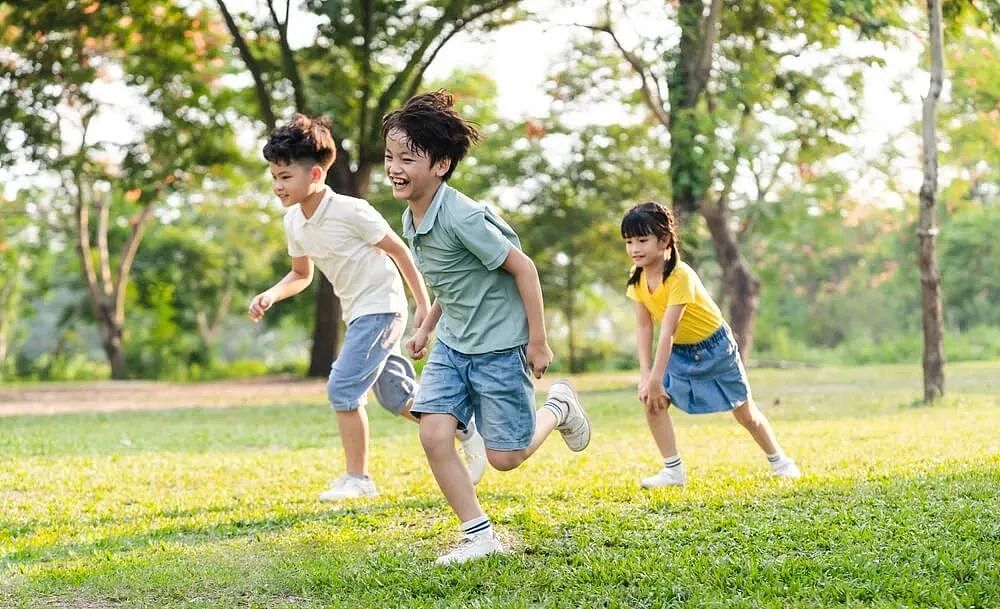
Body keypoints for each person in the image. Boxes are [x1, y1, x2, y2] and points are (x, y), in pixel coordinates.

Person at [382, 90, 591, 565]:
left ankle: (558, 407)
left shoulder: (464, 217)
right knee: (433, 433)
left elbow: (525, 270)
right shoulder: (411, 215)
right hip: (455, 344)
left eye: (407, 158)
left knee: (505, 458)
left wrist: (538, 341)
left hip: (501, 346)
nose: (395, 167)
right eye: (391, 156)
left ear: (441, 164)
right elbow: (451, 280)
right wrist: (427, 326)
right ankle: (478, 534)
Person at [249, 114, 487, 503]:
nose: (277, 186)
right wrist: (272, 294)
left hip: (381, 308)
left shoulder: (351, 211)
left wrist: (423, 311)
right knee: (397, 398)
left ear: (314, 174)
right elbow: (300, 273)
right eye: (274, 176)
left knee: (342, 387)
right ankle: (462, 427)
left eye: (285, 176)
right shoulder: (294, 221)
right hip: (358, 313)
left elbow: (401, 252)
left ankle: (358, 478)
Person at [621, 201, 800, 488]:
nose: (635, 248)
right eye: (629, 242)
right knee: (652, 401)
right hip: (679, 351)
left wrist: (656, 377)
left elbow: (667, 330)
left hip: (714, 347)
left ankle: (780, 461)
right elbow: (644, 326)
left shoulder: (680, 275)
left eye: (643, 240)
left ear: (664, 240)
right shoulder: (637, 277)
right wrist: (646, 376)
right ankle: (673, 471)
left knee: (745, 412)